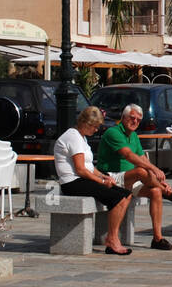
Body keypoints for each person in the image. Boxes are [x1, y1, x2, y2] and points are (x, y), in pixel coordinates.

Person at [96, 103, 172, 251]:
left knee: (155, 191)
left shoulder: (134, 136)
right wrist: (154, 169)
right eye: (132, 118)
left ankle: (157, 238)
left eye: (138, 119)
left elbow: (142, 159)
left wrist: (154, 173)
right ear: (123, 118)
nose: (135, 121)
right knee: (141, 172)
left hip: (128, 179)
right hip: (111, 176)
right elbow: (129, 155)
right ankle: (167, 191)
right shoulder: (113, 132)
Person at [53, 106, 132, 256]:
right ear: (86, 123)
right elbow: (80, 169)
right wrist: (101, 182)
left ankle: (112, 237)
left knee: (126, 195)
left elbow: (89, 166)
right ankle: (112, 240)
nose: (96, 130)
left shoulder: (81, 137)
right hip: (72, 183)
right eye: (95, 127)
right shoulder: (73, 137)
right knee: (118, 198)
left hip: (81, 179)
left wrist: (103, 176)